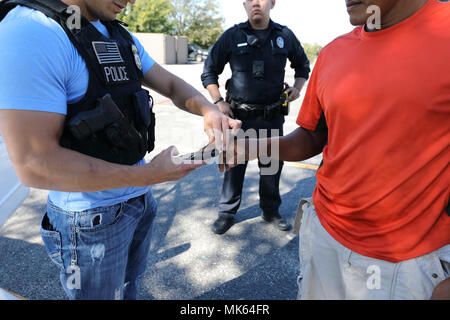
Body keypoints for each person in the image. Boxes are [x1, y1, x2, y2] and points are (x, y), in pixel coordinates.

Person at [0, 0, 240, 300]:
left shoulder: (114, 33)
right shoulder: (32, 31)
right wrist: (147, 175)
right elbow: (35, 164)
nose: (133, 1)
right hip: (88, 221)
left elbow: (171, 84)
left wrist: (209, 110)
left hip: (136, 201)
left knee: (128, 291)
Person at [221, 0, 450, 299]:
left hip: (409, 264)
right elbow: (312, 137)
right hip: (324, 238)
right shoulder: (333, 53)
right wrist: (250, 148)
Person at [201, 0, 310, 234]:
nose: (256, 3)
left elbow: (302, 66)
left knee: (271, 167)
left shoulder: (285, 36)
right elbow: (209, 71)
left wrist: (298, 88)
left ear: (272, 3)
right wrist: (218, 102)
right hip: (238, 117)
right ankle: (227, 213)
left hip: (272, 116)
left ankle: (270, 210)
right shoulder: (232, 35)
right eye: (250, 0)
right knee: (234, 166)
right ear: (244, 5)